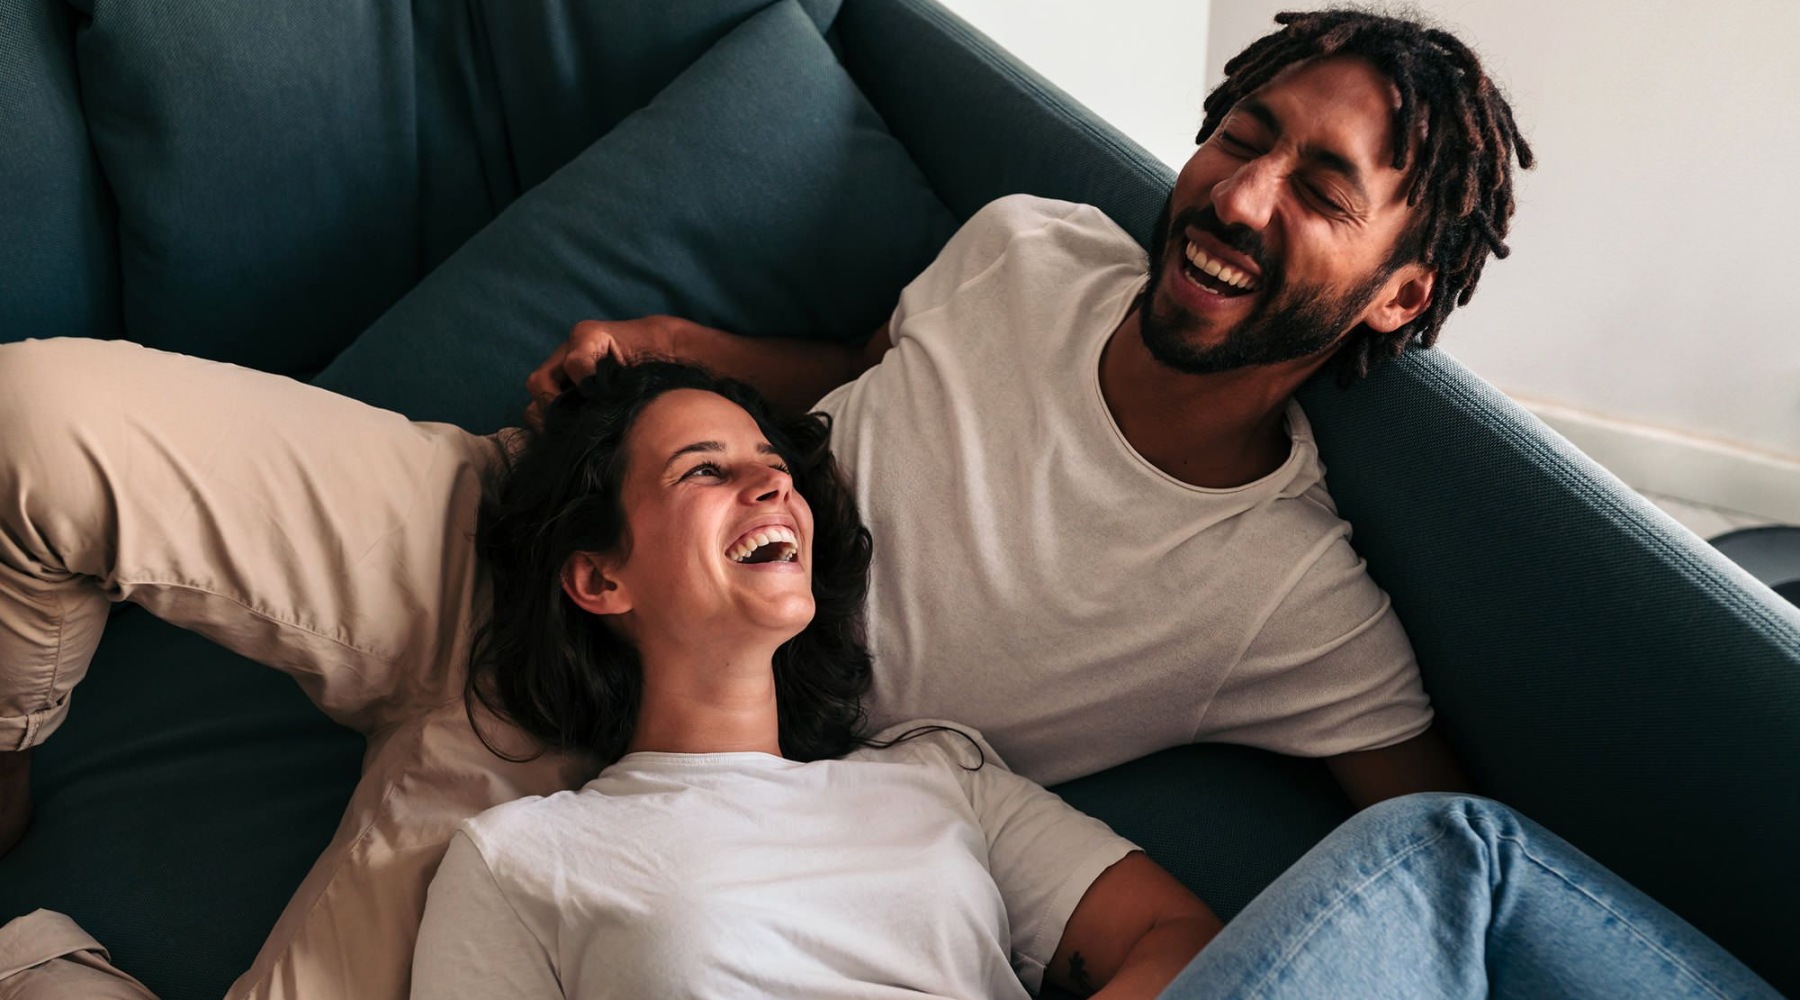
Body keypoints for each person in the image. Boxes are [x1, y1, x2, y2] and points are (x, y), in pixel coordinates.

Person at [0, 8, 1618, 998]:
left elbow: (1431, 848)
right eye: (1245, 134)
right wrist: (679, 352)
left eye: (1319, 190)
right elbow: (869, 359)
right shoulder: (1037, 243)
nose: (1241, 196)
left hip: (637, 774)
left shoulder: (1289, 595)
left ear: (1397, 297)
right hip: (536, 525)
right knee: (33, 420)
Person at [410, 357, 1776, 999]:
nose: (770, 477)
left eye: (773, 462)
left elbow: (1166, 943)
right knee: (1450, 851)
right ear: (600, 579)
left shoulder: (931, 778)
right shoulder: (526, 859)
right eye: (706, 470)